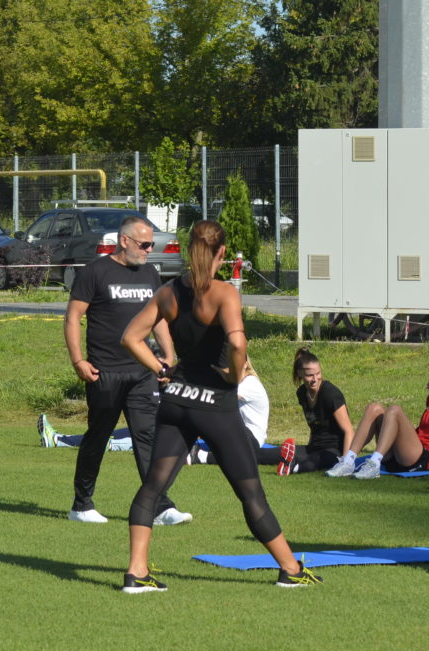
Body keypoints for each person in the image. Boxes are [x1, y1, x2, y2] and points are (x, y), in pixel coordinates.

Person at [118, 220, 322, 593]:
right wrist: (234, 375)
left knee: (152, 488)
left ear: (188, 249)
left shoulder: (168, 292)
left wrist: (162, 369)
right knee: (251, 493)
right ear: (222, 252)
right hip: (216, 405)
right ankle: (291, 569)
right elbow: (238, 343)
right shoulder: (224, 293)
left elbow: (130, 337)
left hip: (176, 400)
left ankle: (137, 572)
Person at [63, 215, 189, 526]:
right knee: (98, 437)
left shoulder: (149, 274)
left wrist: (168, 356)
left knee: (148, 437)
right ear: (124, 241)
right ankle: (81, 504)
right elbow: (73, 317)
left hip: (141, 372)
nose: (149, 250)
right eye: (144, 244)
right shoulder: (95, 272)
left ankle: (160, 507)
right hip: (104, 372)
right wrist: (78, 361)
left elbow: (157, 319)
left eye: (151, 245)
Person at [36, 358, 270, 457]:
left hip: (244, 439)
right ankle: (60, 439)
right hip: (225, 436)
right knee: (141, 430)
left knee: (151, 434)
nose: (224, 372)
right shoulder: (236, 383)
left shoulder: (248, 384)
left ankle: (68, 441)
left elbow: (214, 399)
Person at [326, 361, 429, 480]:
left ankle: (374, 463)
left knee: (394, 410)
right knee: (374, 408)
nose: (427, 386)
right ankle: (348, 461)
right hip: (404, 454)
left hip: (421, 459)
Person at [270, 348, 353, 476]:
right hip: (313, 447)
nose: (315, 379)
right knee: (270, 454)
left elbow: (349, 431)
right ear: (300, 373)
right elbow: (314, 425)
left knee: (312, 462)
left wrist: (345, 462)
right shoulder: (302, 392)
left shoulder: (331, 394)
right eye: (310, 375)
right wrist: (310, 444)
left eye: (318, 373)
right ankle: (246, 455)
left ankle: (293, 466)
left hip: (333, 451)